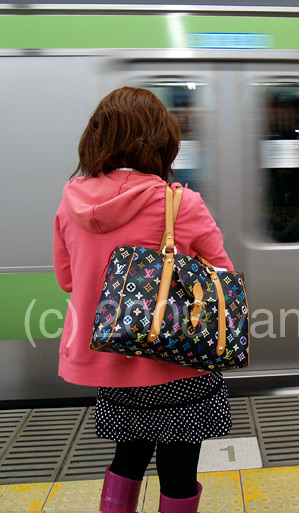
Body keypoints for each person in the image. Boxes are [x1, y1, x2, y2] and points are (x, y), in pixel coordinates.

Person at [53, 87, 233, 513]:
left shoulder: (70, 201)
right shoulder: (180, 203)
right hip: (178, 362)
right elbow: (222, 277)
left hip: (111, 362)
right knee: (178, 470)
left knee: (128, 457)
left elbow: (67, 280)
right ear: (162, 142)